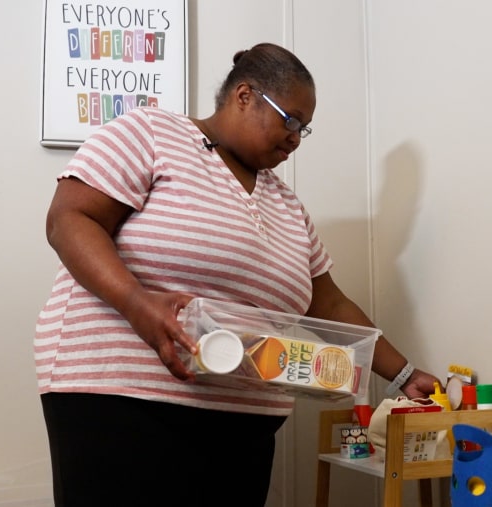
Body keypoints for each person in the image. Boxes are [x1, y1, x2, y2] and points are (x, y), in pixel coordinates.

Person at [34, 42, 440, 507]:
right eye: (289, 120)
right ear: (244, 95)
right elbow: (70, 220)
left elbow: (328, 304)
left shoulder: (288, 204)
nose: (294, 138)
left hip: (242, 420)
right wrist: (137, 303)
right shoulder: (150, 133)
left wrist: (403, 373)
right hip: (123, 400)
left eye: (303, 129)